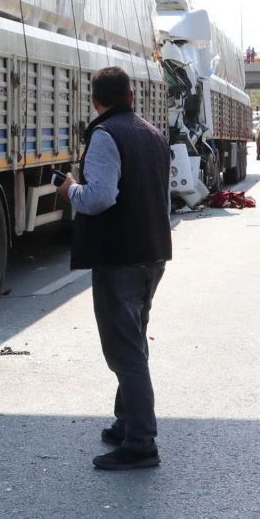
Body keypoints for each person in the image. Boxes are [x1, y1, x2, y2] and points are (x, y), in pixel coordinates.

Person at [57, 67, 171, 470]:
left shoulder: (105, 135)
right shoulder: (152, 133)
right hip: (152, 251)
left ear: (95, 101)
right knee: (133, 340)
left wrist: (69, 188)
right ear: (132, 96)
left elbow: (100, 198)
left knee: (124, 352)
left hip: (119, 255)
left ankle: (141, 443)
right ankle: (127, 422)